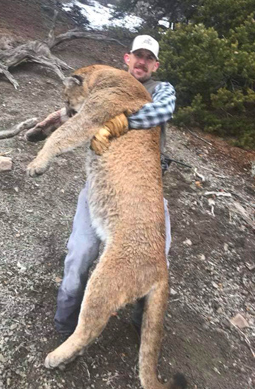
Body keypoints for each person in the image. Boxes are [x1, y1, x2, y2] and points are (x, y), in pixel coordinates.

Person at [53, 35, 176, 339]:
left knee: (159, 256)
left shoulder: (161, 89)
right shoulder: (109, 83)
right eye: (138, 55)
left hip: (142, 192)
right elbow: (79, 114)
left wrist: (118, 123)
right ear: (127, 58)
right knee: (81, 250)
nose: (142, 62)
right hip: (103, 186)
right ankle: (66, 320)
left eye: (149, 58)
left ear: (155, 65)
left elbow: (162, 112)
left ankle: (141, 318)